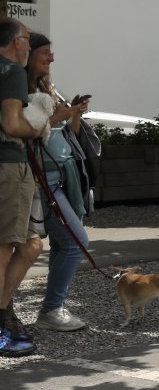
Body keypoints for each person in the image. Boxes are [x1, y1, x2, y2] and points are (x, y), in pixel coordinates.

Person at [0, 17, 67, 356]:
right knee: (3, 250)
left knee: (31, 245)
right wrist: (40, 129)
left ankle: (3, 317)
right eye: (27, 39)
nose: (28, 46)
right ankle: (1, 331)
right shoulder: (11, 71)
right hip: (8, 164)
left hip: (13, 166)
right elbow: (13, 124)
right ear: (18, 42)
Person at [26, 31, 93, 332]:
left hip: (59, 178)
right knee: (76, 242)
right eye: (45, 53)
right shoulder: (20, 90)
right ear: (28, 55)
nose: (51, 58)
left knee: (64, 243)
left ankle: (52, 308)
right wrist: (60, 116)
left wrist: (73, 114)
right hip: (43, 181)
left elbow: (68, 134)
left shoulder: (46, 88)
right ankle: (51, 309)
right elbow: (26, 130)